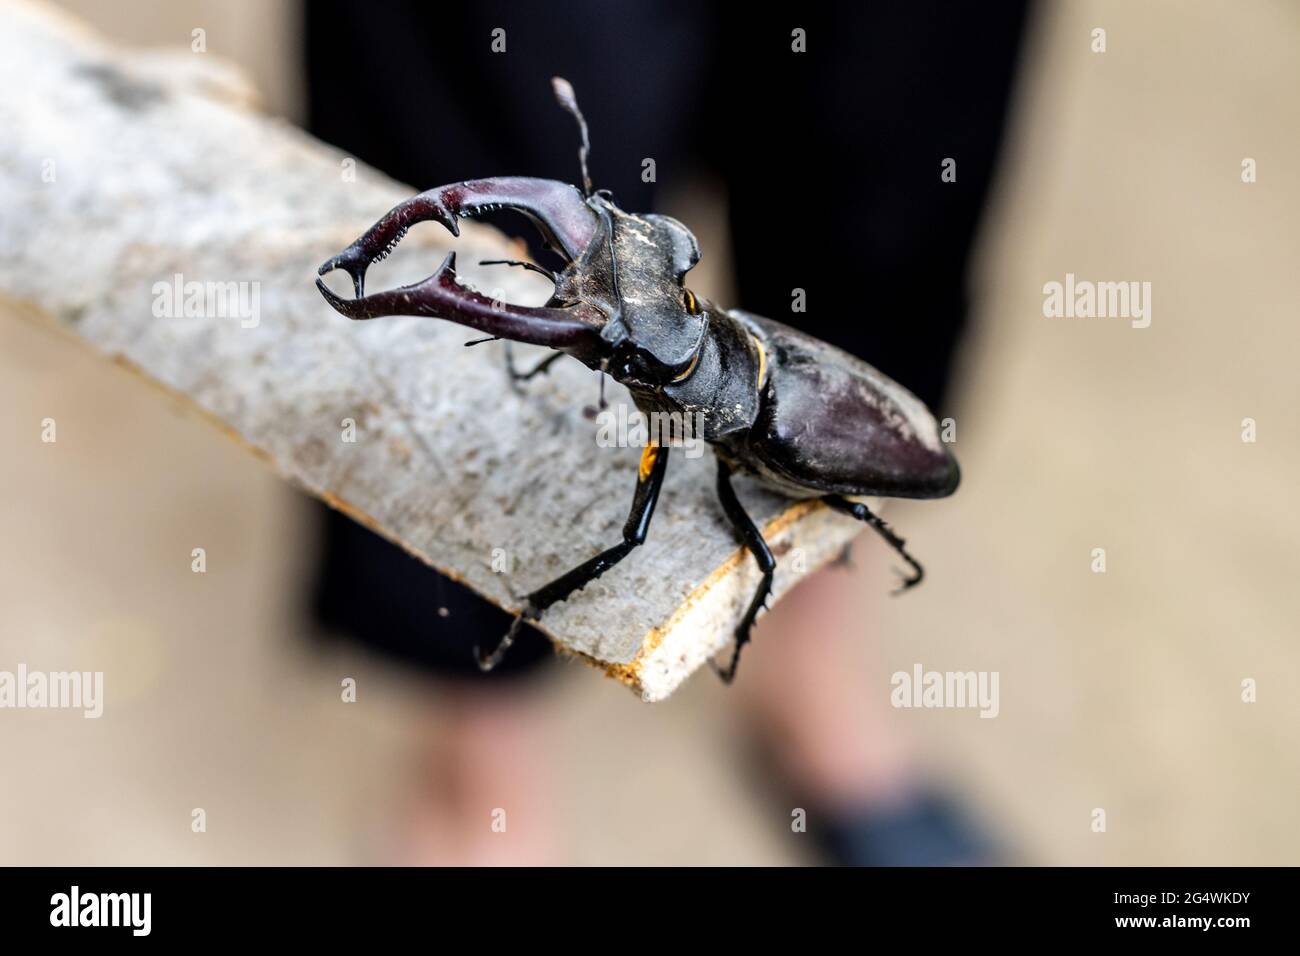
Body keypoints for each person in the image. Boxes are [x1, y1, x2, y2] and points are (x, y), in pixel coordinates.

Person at [306, 0, 1031, 865]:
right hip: (754, 361)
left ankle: (809, 683)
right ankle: (479, 785)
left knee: (892, 132)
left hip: (825, 423)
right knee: (489, 92)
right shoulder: (719, 342)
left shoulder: (745, 429)